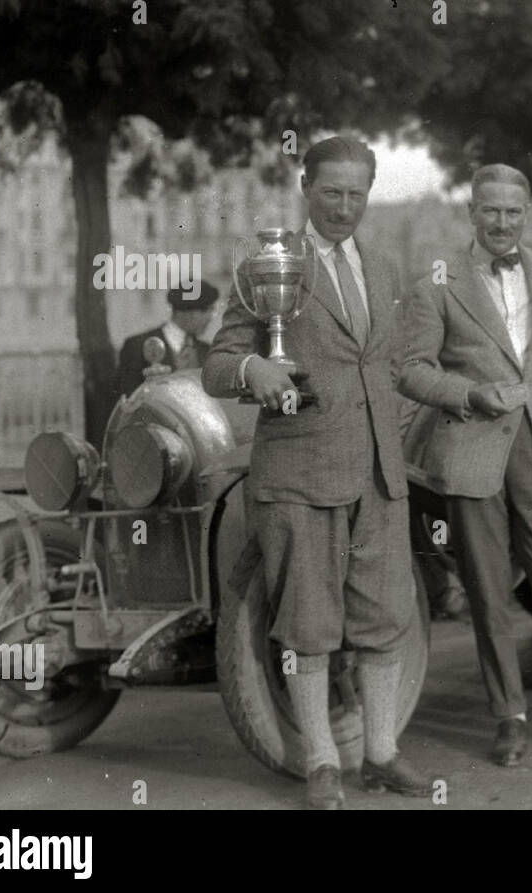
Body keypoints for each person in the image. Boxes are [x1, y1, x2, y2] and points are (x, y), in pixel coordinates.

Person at [203, 136, 430, 809]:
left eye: (357, 193)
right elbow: (218, 362)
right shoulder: (269, 264)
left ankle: (382, 752)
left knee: (387, 617)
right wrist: (254, 369)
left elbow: (391, 365)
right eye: (331, 191)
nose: (344, 206)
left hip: (379, 474)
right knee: (307, 622)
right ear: (306, 188)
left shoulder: (386, 270)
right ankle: (323, 761)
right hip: (300, 474)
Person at [397, 163, 532, 767]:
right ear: (471, 213)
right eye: (490, 211)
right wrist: (468, 395)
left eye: (513, 212)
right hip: (471, 454)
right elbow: (409, 369)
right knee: (490, 595)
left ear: (527, 215)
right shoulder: (435, 283)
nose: (501, 223)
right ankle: (510, 718)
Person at [115, 282, 220, 399]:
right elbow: (128, 399)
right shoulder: (136, 346)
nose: (211, 317)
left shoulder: (207, 350)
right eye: (208, 311)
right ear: (185, 313)